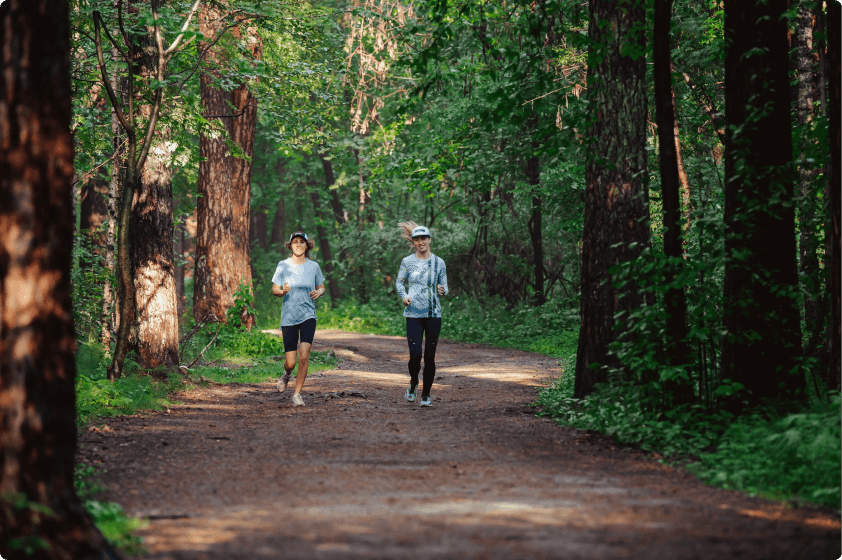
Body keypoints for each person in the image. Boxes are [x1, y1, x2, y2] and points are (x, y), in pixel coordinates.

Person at [395, 222, 448, 407]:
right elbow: (400, 283)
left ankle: (426, 394)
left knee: (430, 356)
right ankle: (413, 382)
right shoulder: (407, 261)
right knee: (416, 355)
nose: (420, 242)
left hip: (434, 315)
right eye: (416, 239)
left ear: (429, 239)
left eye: (423, 238)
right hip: (413, 314)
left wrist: (443, 290)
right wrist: (404, 296)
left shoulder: (439, 262)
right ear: (413, 241)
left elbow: (445, 286)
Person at [272, 231, 326, 407]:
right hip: (289, 317)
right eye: (294, 242)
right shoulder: (283, 265)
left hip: (308, 315)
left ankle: (297, 394)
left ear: (307, 246)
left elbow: (321, 286)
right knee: (291, 362)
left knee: (304, 355)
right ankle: (286, 375)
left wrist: (319, 291)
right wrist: (282, 291)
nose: (298, 245)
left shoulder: (314, 266)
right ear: (290, 245)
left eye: (301, 242)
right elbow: (274, 289)